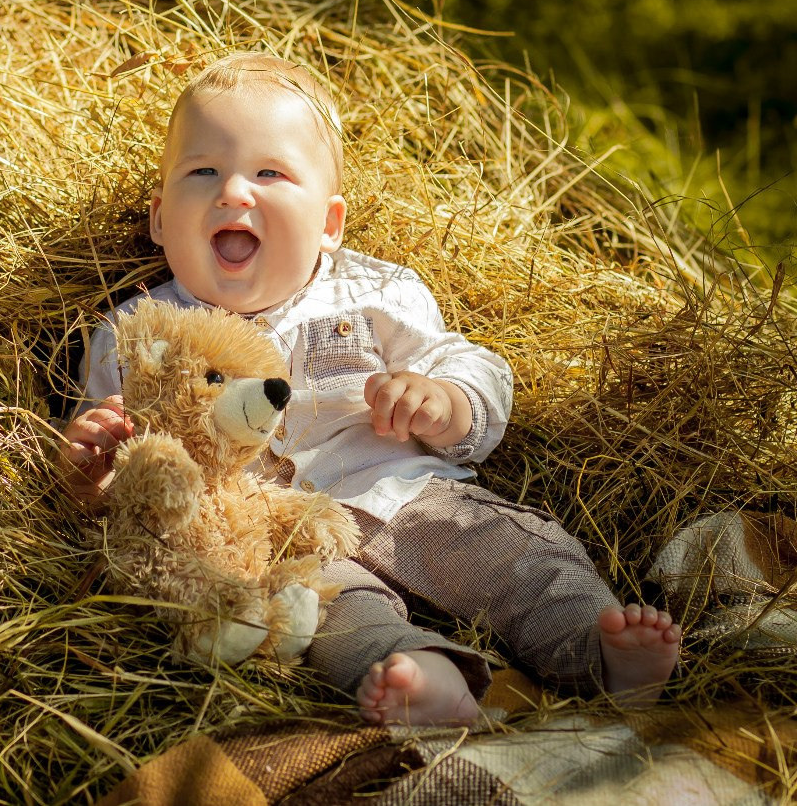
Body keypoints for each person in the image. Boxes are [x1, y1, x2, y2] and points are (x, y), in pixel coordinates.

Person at [59, 52, 681, 726]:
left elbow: (478, 368)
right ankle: (425, 677)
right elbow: (129, 470)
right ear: (158, 218)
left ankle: (600, 651)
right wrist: (89, 468)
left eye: (270, 173)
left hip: (411, 495)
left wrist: (445, 401)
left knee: (519, 556)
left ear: (330, 224)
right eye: (203, 171)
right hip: (287, 540)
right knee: (335, 627)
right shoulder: (135, 335)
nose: (234, 192)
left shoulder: (376, 293)